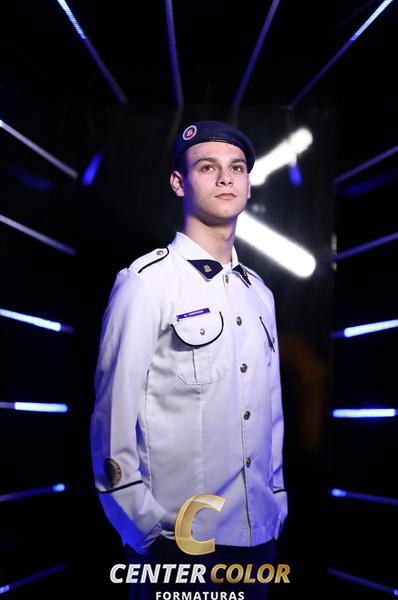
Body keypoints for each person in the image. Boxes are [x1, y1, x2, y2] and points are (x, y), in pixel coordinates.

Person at [91, 120, 287, 598]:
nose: (225, 178)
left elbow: (271, 414)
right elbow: (112, 422)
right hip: (176, 544)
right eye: (207, 167)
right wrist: (147, 533)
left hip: (259, 542)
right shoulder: (146, 283)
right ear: (179, 183)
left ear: (248, 185)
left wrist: (277, 503)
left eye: (236, 168)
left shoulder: (259, 294)